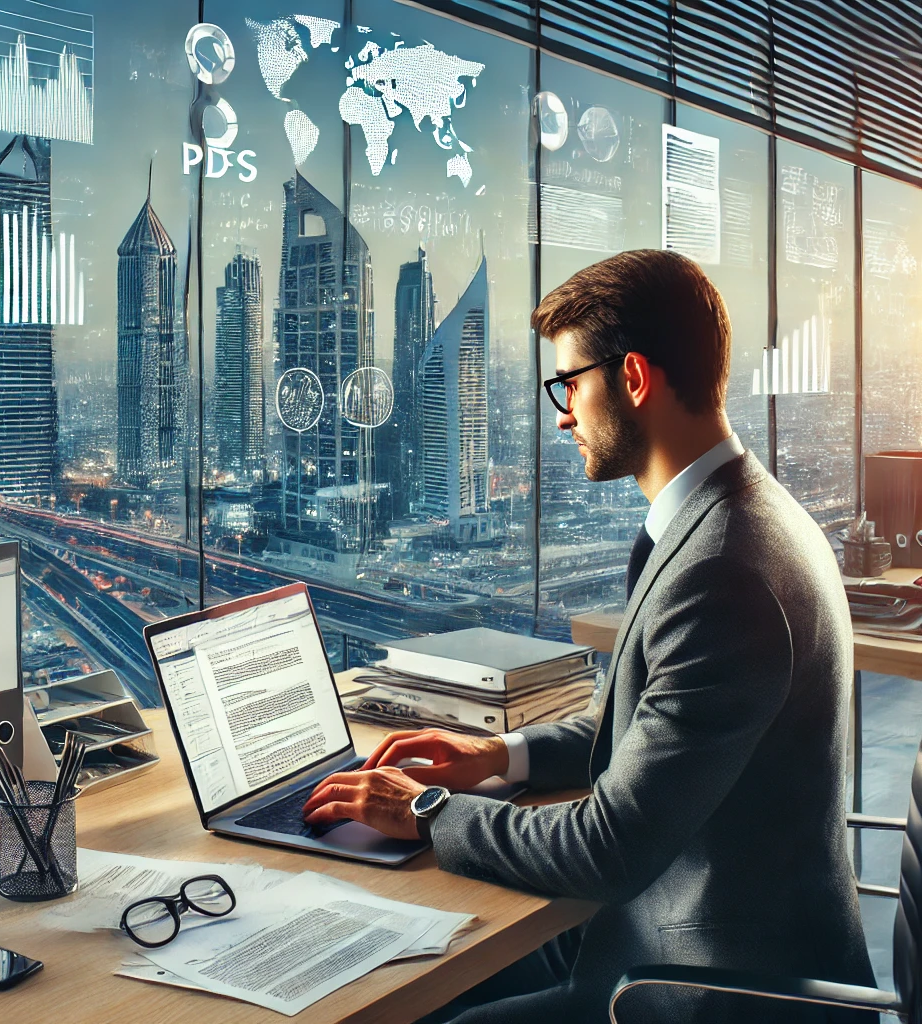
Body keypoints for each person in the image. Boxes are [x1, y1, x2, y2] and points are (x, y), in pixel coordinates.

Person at [303, 249, 875, 1022]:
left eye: (569, 383)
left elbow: (610, 848)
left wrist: (428, 810)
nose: (564, 413)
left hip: (707, 981)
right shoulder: (744, 515)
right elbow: (646, 724)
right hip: (682, 927)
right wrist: (498, 756)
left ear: (634, 378)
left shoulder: (724, 572)